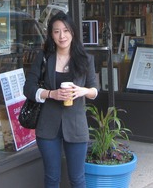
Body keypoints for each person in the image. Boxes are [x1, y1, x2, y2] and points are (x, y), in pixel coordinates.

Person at [23, 11, 98, 188]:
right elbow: (28, 88)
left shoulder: (85, 59)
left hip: (76, 126)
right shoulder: (44, 58)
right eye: (56, 31)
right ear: (51, 34)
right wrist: (51, 94)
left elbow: (95, 91)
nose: (62, 36)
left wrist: (82, 91)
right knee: (52, 178)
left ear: (72, 32)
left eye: (65, 30)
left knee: (78, 179)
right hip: (48, 126)